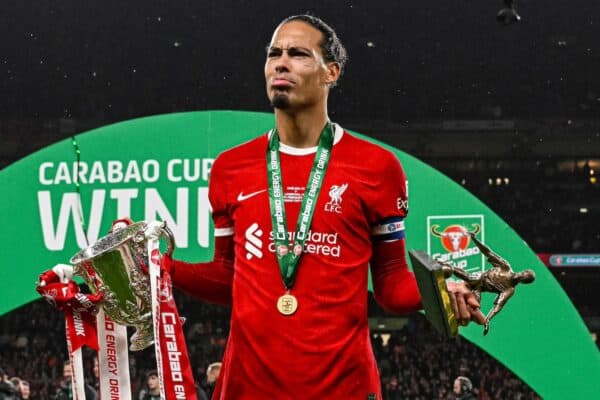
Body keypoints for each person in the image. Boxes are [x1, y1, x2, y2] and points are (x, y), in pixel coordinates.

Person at [161, 14, 485, 399]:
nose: (281, 62)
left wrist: (439, 291)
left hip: (342, 386)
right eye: (273, 53)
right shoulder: (231, 169)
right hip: (248, 388)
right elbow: (228, 276)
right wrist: (162, 267)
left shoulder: (377, 167)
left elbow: (391, 283)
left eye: (298, 53)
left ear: (331, 72)